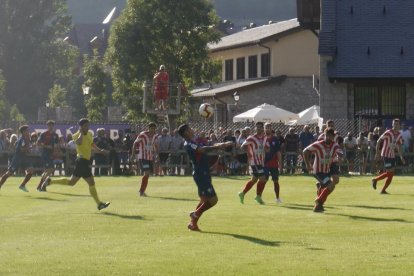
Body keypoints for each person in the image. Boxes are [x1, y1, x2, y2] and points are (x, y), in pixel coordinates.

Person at [40, 118, 110, 210]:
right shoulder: (76, 135)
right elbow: (79, 142)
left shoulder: (89, 134)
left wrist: (100, 151)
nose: (88, 127)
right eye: (85, 126)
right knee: (90, 182)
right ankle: (99, 204)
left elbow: (91, 144)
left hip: (84, 161)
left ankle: (50, 181)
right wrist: (81, 133)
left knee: (72, 182)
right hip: (81, 161)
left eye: (88, 125)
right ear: (81, 127)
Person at [178, 124, 233, 231]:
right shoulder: (189, 143)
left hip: (202, 173)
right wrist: (220, 146)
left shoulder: (192, 142)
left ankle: (193, 224)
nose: (192, 129)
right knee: (213, 200)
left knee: (204, 200)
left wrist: (219, 146)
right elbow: (202, 150)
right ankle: (195, 214)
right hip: (201, 174)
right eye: (190, 129)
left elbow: (206, 147)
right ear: (186, 132)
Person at [303, 128, 343, 212]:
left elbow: (340, 152)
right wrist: (308, 164)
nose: (328, 137)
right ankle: (319, 201)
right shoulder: (318, 144)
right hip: (317, 171)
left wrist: (339, 157)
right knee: (331, 185)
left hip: (326, 171)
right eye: (327, 135)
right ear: (324, 135)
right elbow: (305, 151)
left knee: (328, 185)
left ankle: (319, 202)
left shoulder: (335, 145)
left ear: (333, 137)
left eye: (330, 136)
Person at [371, 118, 405, 194]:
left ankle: (382, 189)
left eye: (397, 124)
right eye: (394, 124)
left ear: (399, 125)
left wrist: (401, 157)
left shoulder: (399, 135)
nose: (396, 125)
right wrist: (377, 153)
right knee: (390, 172)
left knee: (391, 174)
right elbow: (379, 141)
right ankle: (376, 180)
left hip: (392, 156)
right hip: (386, 155)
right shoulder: (388, 132)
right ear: (392, 124)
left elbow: (399, 146)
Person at [238, 122, 268, 205]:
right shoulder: (251, 138)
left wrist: (267, 149)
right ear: (255, 128)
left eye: (260, 127)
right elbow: (242, 145)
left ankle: (242, 193)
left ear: (263, 128)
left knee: (254, 180)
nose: (258, 128)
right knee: (263, 178)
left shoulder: (265, 137)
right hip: (255, 162)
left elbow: (266, 147)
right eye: (257, 127)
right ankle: (258, 196)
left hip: (261, 162)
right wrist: (249, 153)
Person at [0, 125, 34, 191]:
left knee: (31, 170)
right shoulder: (21, 140)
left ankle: (22, 185)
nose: (28, 131)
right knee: (9, 173)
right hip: (17, 159)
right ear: (23, 131)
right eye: (27, 130)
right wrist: (29, 148)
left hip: (24, 158)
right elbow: (20, 150)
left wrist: (28, 150)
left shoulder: (26, 139)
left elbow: (25, 150)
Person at [131, 122, 159, 196]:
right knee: (146, 173)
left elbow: (155, 145)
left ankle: (142, 190)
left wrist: (156, 154)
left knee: (148, 174)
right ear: (148, 128)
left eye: (154, 128)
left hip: (150, 157)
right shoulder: (143, 135)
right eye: (151, 128)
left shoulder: (155, 135)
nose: (153, 130)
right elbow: (135, 143)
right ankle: (141, 192)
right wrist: (133, 155)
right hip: (142, 157)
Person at [35, 120, 59, 191]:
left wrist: (56, 150)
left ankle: (39, 186)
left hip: (51, 155)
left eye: (52, 125)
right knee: (51, 169)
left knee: (46, 171)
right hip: (45, 154)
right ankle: (43, 185)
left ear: (53, 126)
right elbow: (38, 143)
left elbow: (56, 145)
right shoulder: (43, 134)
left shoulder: (55, 135)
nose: (50, 126)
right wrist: (46, 146)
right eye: (49, 125)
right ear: (47, 126)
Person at [317, 120, 341, 189]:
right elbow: (317, 148)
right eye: (329, 125)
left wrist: (339, 156)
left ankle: (321, 185)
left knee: (336, 180)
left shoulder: (337, 135)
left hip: (333, 160)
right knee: (327, 181)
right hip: (324, 161)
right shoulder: (321, 137)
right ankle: (322, 193)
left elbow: (337, 146)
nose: (331, 127)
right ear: (326, 126)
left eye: (332, 126)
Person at [264, 123, 282, 203]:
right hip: (264, 163)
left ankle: (277, 198)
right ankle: (259, 196)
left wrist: (280, 164)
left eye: (269, 127)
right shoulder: (262, 139)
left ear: (271, 129)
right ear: (264, 129)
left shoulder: (275, 139)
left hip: (274, 164)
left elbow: (278, 152)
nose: (267, 129)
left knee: (276, 181)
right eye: (266, 127)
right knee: (263, 180)